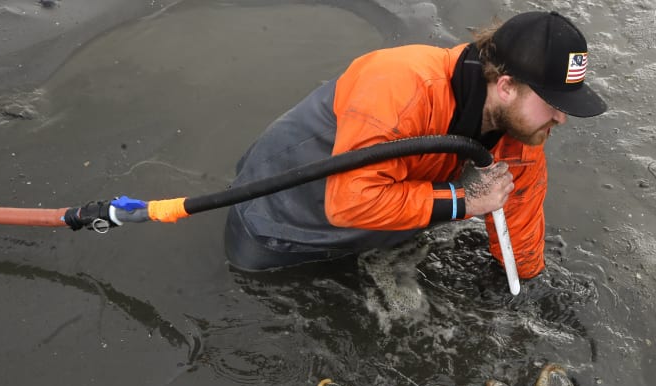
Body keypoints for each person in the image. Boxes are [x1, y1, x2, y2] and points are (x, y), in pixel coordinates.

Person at [224, 11, 607, 276]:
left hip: (370, 230)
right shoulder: (402, 88)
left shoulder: (524, 130)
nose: (562, 118)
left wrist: (528, 288)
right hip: (276, 226)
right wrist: (464, 201)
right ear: (506, 87)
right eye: (552, 103)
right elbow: (349, 202)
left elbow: (519, 220)